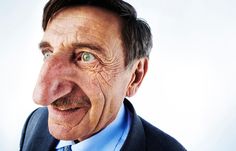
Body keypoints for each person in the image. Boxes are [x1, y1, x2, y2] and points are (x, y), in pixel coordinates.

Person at [20, 0, 186, 150]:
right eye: (48, 53)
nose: (41, 97)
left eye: (87, 56)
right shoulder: (35, 122)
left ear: (135, 76)